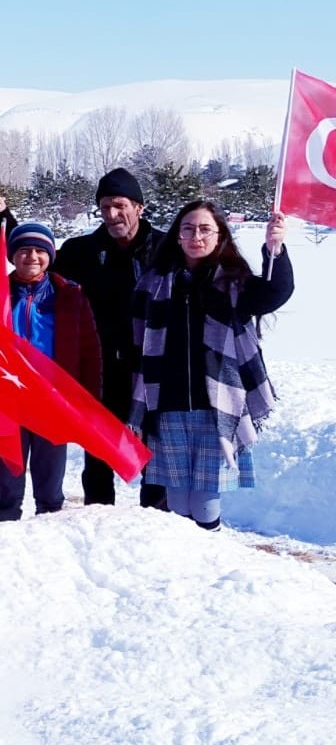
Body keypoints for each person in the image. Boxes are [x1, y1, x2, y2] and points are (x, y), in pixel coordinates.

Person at [130, 203, 292, 530]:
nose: (196, 236)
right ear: (177, 235)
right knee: (175, 501)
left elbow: (276, 292)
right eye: (188, 229)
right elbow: (139, 341)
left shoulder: (235, 281)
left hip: (217, 406)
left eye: (205, 229)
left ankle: (210, 560)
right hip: (167, 405)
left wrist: (276, 248)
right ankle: (189, 568)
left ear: (219, 236)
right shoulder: (154, 282)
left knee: (205, 501)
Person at [50, 168, 167, 510]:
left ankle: (157, 525)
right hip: (101, 373)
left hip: (151, 372)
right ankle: (98, 524)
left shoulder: (165, 248)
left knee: (156, 459)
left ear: (139, 207)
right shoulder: (82, 251)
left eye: (119, 205)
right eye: (104, 208)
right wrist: (4, 219)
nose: (112, 215)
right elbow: (37, 266)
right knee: (98, 458)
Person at [0, 223, 101, 522]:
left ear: (51, 255)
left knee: (50, 489)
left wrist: (89, 400)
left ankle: (47, 552)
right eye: (24, 250)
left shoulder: (70, 294)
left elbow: (90, 352)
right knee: (7, 488)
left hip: (52, 401)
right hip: (7, 402)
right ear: (13, 255)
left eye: (40, 250)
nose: (32, 257)